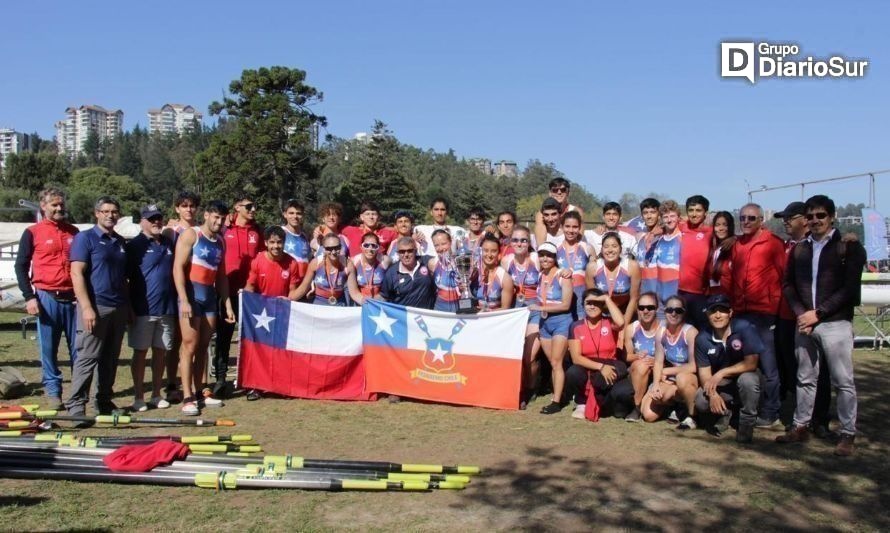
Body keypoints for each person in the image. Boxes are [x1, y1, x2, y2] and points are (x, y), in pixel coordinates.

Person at [777, 195, 866, 456]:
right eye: (811, 216)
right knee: (805, 378)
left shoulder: (848, 247)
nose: (815, 221)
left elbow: (850, 289)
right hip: (805, 323)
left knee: (842, 380)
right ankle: (801, 426)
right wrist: (801, 314)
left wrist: (819, 313)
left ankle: (848, 433)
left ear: (832, 217)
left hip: (835, 323)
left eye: (821, 216)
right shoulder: (799, 249)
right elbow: (788, 284)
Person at [14, 187, 79, 410]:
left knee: (78, 350)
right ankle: (53, 392)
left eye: (61, 204)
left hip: (73, 298)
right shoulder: (32, 232)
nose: (59, 208)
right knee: (49, 349)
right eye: (54, 205)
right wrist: (29, 297)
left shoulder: (74, 232)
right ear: (43, 206)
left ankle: (78, 394)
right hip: (46, 296)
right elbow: (21, 266)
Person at [65, 196, 129, 417]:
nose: (110, 215)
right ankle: (76, 406)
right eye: (106, 211)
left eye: (114, 211)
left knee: (110, 359)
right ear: (97, 213)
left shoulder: (120, 242)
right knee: (88, 357)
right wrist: (86, 308)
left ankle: (104, 401)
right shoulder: (85, 239)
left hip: (118, 308)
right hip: (95, 307)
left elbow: (124, 278)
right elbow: (77, 273)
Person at [773, 201, 832, 436]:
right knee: (794, 370)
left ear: (804, 219)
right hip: (787, 318)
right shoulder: (786, 245)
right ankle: (801, 418)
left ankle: (820, 418)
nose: (785, 222)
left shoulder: (818, 246)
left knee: (819, 372)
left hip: (813, 319)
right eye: (783, 218)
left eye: (790, 217)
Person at [173, 200, 236, 416]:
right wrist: (183, 298)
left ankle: (201, 391)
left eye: (222, 218)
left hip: (209, 297)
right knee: (189, 346)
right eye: (215, 217)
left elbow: (221, 275)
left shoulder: (220, 241)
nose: (218, 221)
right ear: (207, 215)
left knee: (203, 347)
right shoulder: (192, 235)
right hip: (192, 297)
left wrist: (227, 303)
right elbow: (178, 268)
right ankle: (187, 395)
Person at [730, 203, 786, 429]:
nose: (746, 222)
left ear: (761, 220)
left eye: (751, 218)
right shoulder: (737, 244)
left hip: (764, 313)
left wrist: (776, 307)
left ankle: (771, 411)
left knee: (769, 366)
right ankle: (742, 408)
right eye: (742, 218)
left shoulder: (773, 243)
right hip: (741, 313)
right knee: (740, 361)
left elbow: (784, 276)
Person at [125, 205, 177, 411]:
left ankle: (156, 394)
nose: (156, 222)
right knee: (140, 353)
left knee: (160, 352)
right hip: (143, 309)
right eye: (151, 219)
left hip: (167, 308)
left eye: (158, 218)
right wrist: (129, 306)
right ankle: (139, 397)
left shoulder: (168, 242)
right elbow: (125, 279)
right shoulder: (134, 246)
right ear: (142, 222)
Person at [242, 225, 302, 401]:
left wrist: (288, 304)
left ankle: (279, 385)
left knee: (280, 351)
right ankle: (255, 386)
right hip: (260, 314)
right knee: (258, 351)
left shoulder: (292, 263)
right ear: (266, 243)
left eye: (280, 242)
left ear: (284, 243)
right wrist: (244, 302)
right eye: (273, 242)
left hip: (282, 313)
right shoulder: (258, 260)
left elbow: (293, 290)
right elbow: (250, 287)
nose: (276, 246)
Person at [213, 194, 264, 399]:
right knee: (224, 337)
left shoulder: (257, 231)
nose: (253, 210)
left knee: (251, 338)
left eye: (255, 206)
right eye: (249, 206)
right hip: (226, 293)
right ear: (237, 207)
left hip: (250, 295)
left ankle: (252, 381)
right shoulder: (225, 229)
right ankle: (220, 379)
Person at [694, 294, 763, 442]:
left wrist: (722, 372)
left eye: (722, 311)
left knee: (748, 381)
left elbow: (751, 363)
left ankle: (746, 423)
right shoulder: (702, 338)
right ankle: (724, 414)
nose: (718, 315)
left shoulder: (745, 328)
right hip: (722, 383)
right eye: (713, 311)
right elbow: (704, 375)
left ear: (730, 313)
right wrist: (713, 395)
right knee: (700, 399)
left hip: (746, 377)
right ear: (707, 314)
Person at [161, 190, 201, 403]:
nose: (189, 209)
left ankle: (195, 384)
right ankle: (170, 382)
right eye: (184, 206)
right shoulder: (170, 231)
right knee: (173, 340)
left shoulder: (199, 231)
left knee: (191, 340)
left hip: (193, 290)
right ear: (177, 208)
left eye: (192, 205)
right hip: (173, 290)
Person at [565, 288, 628, 419]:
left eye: (596, 302)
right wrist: (600, 367)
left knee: (622, 398)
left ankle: (602, 402)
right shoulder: (575, 326)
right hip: (589, 368)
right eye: (589, 303)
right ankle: (582, 402)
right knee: (573, 372)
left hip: (610, 368)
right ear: (583, 305)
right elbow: (576, 358)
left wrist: (606, 299)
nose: (592, 306)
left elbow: (621, 322)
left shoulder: (609, 322)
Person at [640, 295, 698, 428]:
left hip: (689, 378)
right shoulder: (661, 332)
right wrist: (655, 384)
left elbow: (694, 366)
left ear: (684, 313)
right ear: (664, 311)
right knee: (648, 415)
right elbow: (658, 361)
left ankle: (692, 416)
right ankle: (675, 408)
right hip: (670, 379)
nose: (673, 313)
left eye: (678, 310)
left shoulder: (690, 332)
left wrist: (667, 371)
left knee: (679, 382)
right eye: (670, 310)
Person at [502, 226, 542, 409]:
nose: (519, 243)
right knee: (515, 354)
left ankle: (531, 387)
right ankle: (518, 389)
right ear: (510, 243)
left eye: (523, 240)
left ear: (529, 243)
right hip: (515, 311)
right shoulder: (506, 261)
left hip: (534, 309)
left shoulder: (535, 259)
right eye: (516, 240)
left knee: (530, 356)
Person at [532, 242, 574, 414]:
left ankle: (556, 402)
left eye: (549, 255)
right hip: (545, 323)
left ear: (555, 257)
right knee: (553, 363)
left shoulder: (562, 276)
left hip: (561, 322)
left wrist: (541, 309)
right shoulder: (541, 274)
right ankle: (561, 393)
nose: (545, 258)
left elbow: (566, 305)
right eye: (542, 255)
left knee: (557, 362)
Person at [585, 231, 641, 329]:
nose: (610, 250)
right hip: (602, 314)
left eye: (614, 246)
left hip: (625, 313)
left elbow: (634, 298)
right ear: (601, 250)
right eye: (606, 247)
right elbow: (592, 299)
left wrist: (624, 326)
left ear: (620, 249)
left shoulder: (632, 266)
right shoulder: (592, 267)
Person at [622, 292, 662, 422]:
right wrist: (636, 356)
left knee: (650, 416)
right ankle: (636, 407)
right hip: (638, 372)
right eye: (641, 307)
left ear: (657, 308)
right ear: (637, 309)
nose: (645, 311)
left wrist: (656, 362)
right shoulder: (631, 329)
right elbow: (626, 357)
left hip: (660, 374)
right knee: (641, 365)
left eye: (650, 307)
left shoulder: (665, 329)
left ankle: (670, 406)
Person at [678, 195, 713, 329]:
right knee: (684, 332)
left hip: (701, 294)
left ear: (705, 213)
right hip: (681, 292)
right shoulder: (681, 228)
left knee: (704, 332)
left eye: (698, 210)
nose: (694, 214)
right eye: (691, 210)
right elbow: (664, 226)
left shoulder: (711, 233)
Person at [379, 236, 436, 309]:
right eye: (402, 252)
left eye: (410, 251)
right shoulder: (391, 273)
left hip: (426, 316)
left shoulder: (426, 262)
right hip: (404, 318)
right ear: (398, 253)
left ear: (415, 251)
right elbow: (384, 297)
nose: (406, 255)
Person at [556, 211, 595, 319]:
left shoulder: (587, 248)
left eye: (575, 227)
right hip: (562, 297)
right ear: (562, 227)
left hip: (582, 299)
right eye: (567, 226)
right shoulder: (556, 248)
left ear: (579, 228)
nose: (571, 230)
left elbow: (595, 275)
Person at [293, 234, 349, 306]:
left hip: (339, 304)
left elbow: (354, 293)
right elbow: (303, 289)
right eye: (329, 248)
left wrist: (365, 301)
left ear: (341, 247)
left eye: (337, 247)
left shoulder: (347, 264)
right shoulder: (316, 263)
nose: (333, 252)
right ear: (324, 249)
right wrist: (288, 299)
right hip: (319, 305)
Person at [533, 178, 584, 245]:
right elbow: (540, 242)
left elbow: (579, 237)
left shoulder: (576, 211)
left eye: (563, 190)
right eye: (555, 190)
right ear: (550, 193)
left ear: (568, 192)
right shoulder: (541, 214)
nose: (559, 192)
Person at [653, 200, 682, 312]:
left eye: (672, 216)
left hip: (676, 297)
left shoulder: (682, 237)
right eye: (665, 217)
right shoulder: (659, 239)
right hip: (660, 296)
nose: (669, 220)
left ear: (678, 217)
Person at [471, 234, 514, 311]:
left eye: (493, 251)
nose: (489, 255)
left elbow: (505, 308)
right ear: (480, 251)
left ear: (499, 254)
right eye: (486, 250)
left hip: (495, 318)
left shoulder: (504, 278)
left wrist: (488, 312)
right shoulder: (473, 273)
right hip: (475, 317)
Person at [347, 232, 388, 305]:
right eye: (366, 245)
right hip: (360, 302)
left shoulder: (385, 261)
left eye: (374, 246)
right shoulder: (354, 262)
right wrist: (365, 302)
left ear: (378, 248)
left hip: (380, 302)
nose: (370, 249)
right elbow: (353, 291)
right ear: (361, 247)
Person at [426, 230, 461, 313]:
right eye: (436, 245)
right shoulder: (432, 263)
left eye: (444, 244)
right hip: (440, 310)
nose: (441, 248)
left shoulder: (460, 262)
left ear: (451, 242)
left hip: (460, 309)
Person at [635, 198, 662, 296]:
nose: (649, 216)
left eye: (653, 212)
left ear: (659, 215)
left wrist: (658, 231)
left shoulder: (666, 237)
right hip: (642, 293)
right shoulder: (639, 237)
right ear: (642, 216)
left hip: (660, 294)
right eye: (645, 213)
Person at [281, 199, 312, 283]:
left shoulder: (305, 236)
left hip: (302, 283)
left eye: (298, 213)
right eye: (291, 213)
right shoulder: (280, 232)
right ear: (285, 214)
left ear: (303, 215)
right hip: (284, 280)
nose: (295, 216)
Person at [707, 211, 735, 296]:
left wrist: (735, 238)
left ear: (730, 227)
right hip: (712, 299)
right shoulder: (712, 247)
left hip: (729, 301)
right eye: (717, 225)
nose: (721, 228)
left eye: (725, 225)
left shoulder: (735, 247)